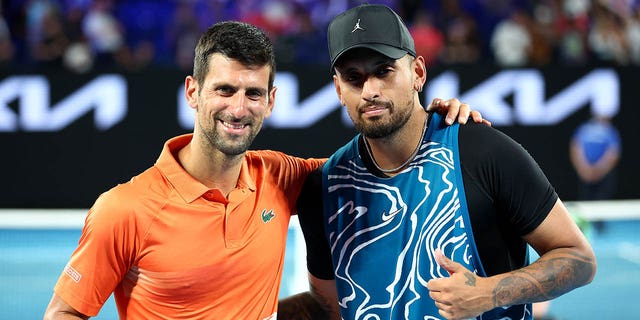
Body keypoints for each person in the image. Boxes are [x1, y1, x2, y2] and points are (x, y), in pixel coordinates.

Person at [43, 20, 479, 320]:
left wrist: (434, 122)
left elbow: (384, 162)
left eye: (253, 93)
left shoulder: (281, 176)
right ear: (193, 92)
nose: (238, 108)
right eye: (225, 90)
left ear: (271, 101)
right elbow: (66, 310)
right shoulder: (124, 209)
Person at [296, 4, 597, 320]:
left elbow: (579, 258)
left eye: (384, 71)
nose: (370, 90)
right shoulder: (325, 187)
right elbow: (327, 308)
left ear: (418, 73)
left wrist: (489, 292)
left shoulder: (482, 152)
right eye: (354, 78)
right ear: (338, 89)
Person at [569, 113, 621, 233]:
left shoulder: (609, 131)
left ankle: (599, 229)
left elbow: (613, 153)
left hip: (602, 175)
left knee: (601, 200)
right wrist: (584, 169)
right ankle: (583, 227)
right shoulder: (584, 129)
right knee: (585, 201)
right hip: (586, 173)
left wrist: (598, 170)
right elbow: (576, 148)